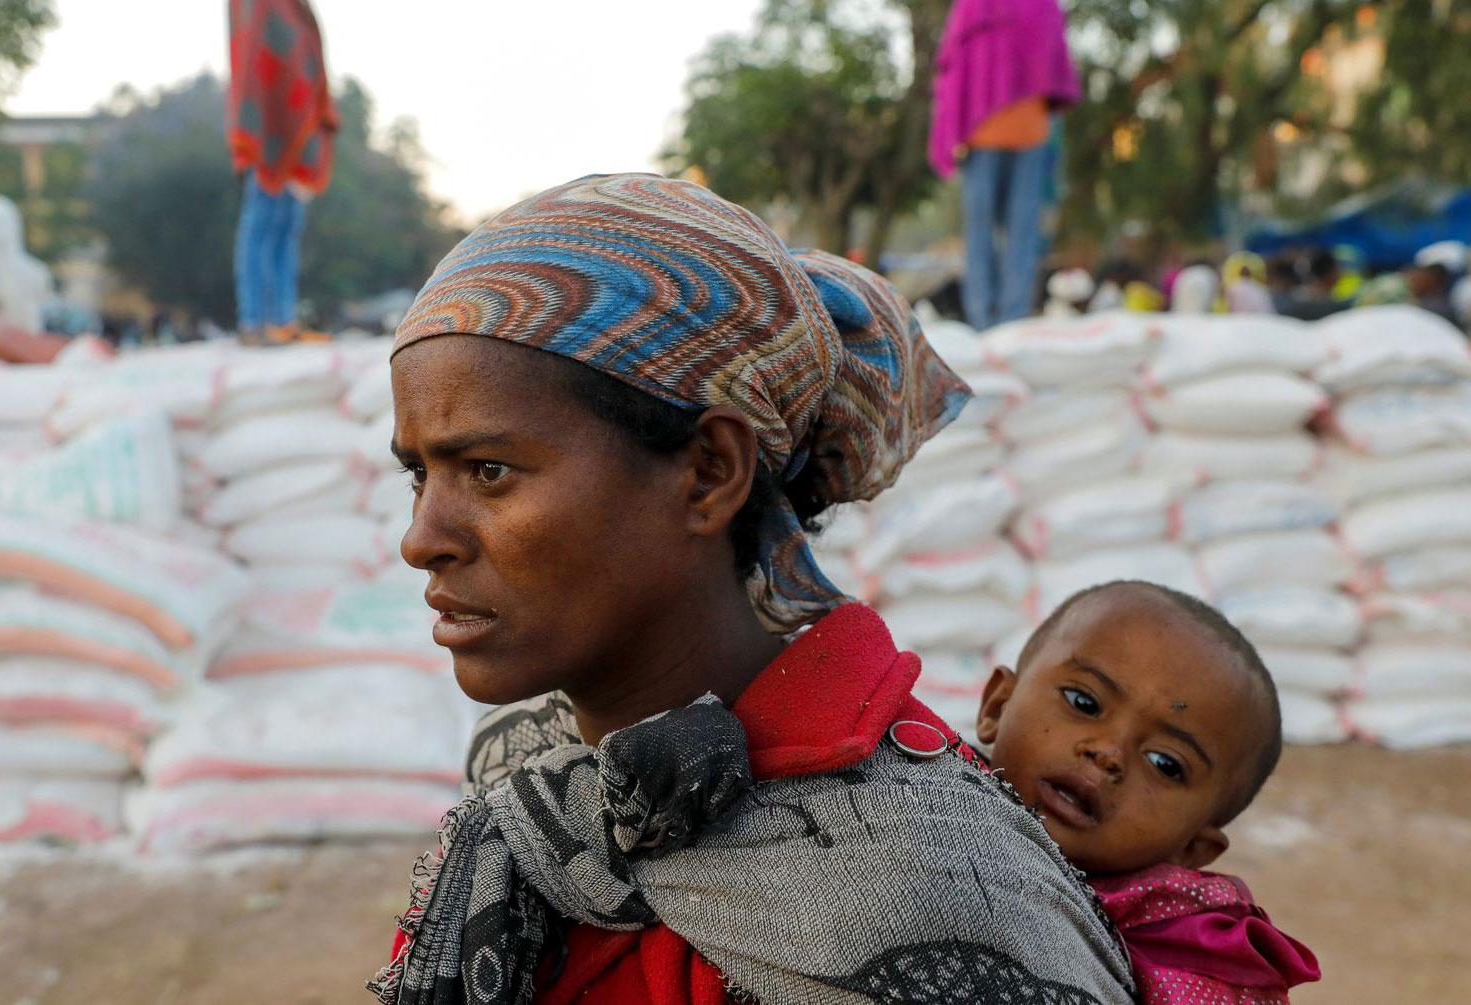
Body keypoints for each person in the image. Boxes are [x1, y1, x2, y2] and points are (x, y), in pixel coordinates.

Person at [371, 173, 1135, 1004]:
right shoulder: (529, 768)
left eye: (488, 470)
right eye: (419, 475)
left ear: (709, 472)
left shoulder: (928, 883)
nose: (421, 540)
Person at [977, 581, 1321, 1003]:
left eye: (1165, 764)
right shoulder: (910, 795)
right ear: (997, 705)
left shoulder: (1193, 964)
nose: (1108, 753)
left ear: (1193, 848)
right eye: (1083, 702)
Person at [931, 0, 1081, 330]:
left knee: (984, 231)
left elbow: (951, 65)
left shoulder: (975, 5)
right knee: (1019, 232)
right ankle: (1009, 321)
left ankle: (987, 321)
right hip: (1020, 130)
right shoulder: (1042, 6)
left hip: (990, 130)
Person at [227, 0, 337, 344]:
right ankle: (254, 322)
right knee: (262, 223)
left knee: (288, 226)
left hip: (296, 124)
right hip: (266, 124)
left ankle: (283, 320)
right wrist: (259, 123)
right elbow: (254, 59)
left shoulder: (296, 8)